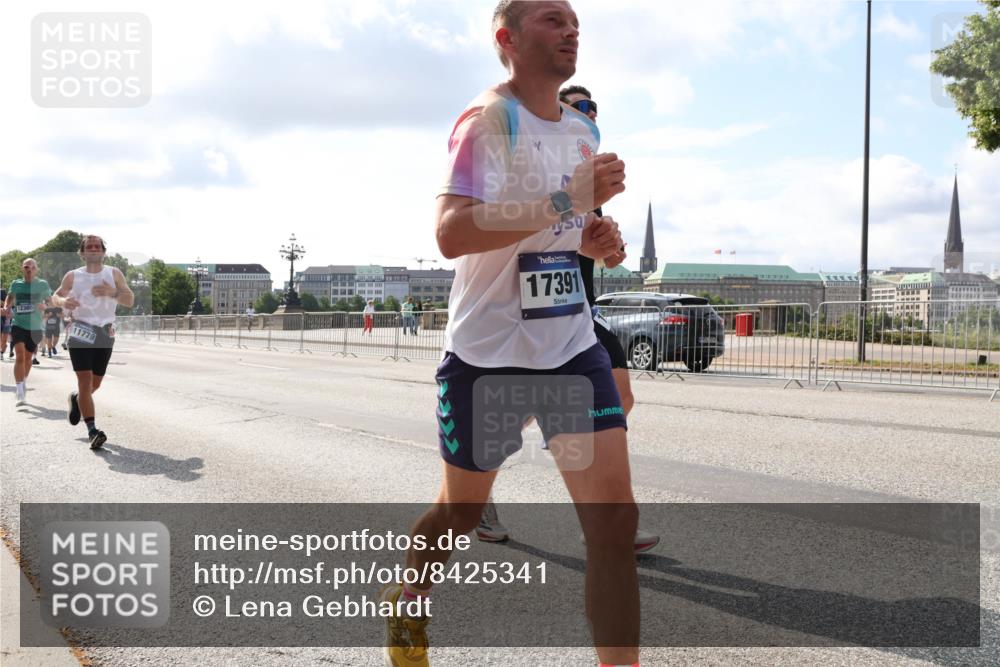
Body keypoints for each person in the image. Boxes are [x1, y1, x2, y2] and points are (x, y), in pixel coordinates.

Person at [380, 3, 639, 666]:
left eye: (574, 20)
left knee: (612, 524)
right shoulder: (489, 121)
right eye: (552, 19)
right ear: (508, 38)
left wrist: (597, 238)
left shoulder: (582, 129)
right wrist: (567, 200)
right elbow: (451, 233)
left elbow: (564, 231)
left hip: (569, 349)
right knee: (461, 515)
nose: (571, 29)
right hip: (488, 355)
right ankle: (410, 596)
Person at [476, 84, 658, 554]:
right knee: (528, 412)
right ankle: (480, 490)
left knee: (619, 398)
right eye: (578, 108)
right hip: (530, 310)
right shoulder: (534, 161)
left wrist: (610, 246)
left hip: (578, 310)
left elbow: (602, 255)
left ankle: (603, 520)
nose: (587, 116)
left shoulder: (590, 180)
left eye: (593, 110)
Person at [50, 235, 134, 450]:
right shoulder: (73, 276)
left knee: (95, 384)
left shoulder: (113, 273)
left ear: (103, 252)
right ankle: (92, 431)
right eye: (89, 247)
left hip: (105, 332)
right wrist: (63, 301)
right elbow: (55, 297)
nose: (94, 249)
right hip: (81, 330)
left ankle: (77, 399)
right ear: (83, 252)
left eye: (98, 246)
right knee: (85, 380)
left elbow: (129, 300)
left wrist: (112, 292)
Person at [5, 258, 52, 405]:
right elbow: (10, 298)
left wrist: (45, 307)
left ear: (36, 269)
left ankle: (23, 381)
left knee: (28, 358)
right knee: (19, 355)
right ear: (22, 269)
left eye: (32, 267)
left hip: (35, 326)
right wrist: (7, 307)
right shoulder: (16, 284)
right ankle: (20, 391)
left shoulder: (42, 284)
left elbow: (50, 302)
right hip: (18, 324)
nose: (29, 269)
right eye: (26, 267)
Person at [0, 289, 11, 362]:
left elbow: (10, 314)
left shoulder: (7, 304)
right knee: (2, 341)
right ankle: (1, 353)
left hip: (6, 324)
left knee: (3, 341)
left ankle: (1, 352)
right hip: (5, 324)